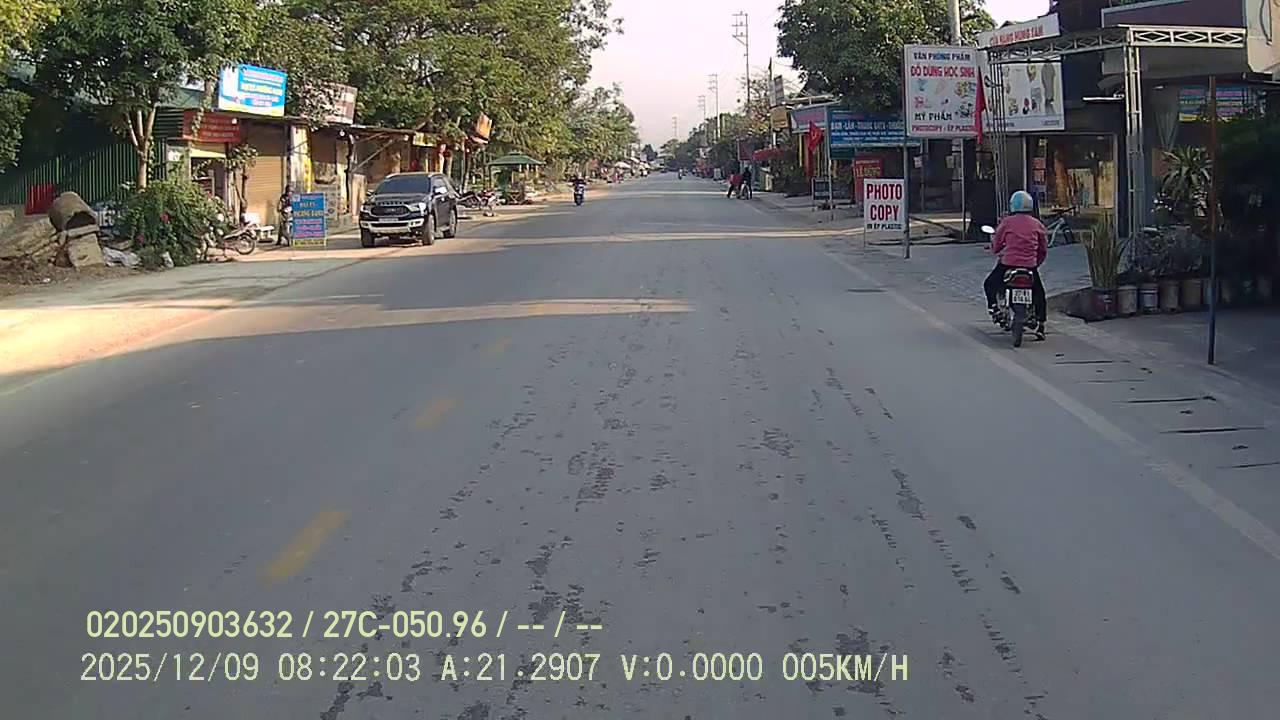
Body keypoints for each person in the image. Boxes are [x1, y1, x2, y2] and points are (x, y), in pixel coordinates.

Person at [984, 190, 1048, 335]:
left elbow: (997, 245)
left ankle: (994, 308)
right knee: (1039, 293)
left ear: (1013, 205)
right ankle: (1041, 323)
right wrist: (1035, 263)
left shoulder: (1006, 223)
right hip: (1030, 265)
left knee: (989, 284)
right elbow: (1043, 249)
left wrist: (994, 248)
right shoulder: (1037, 224)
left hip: (1008, 263)